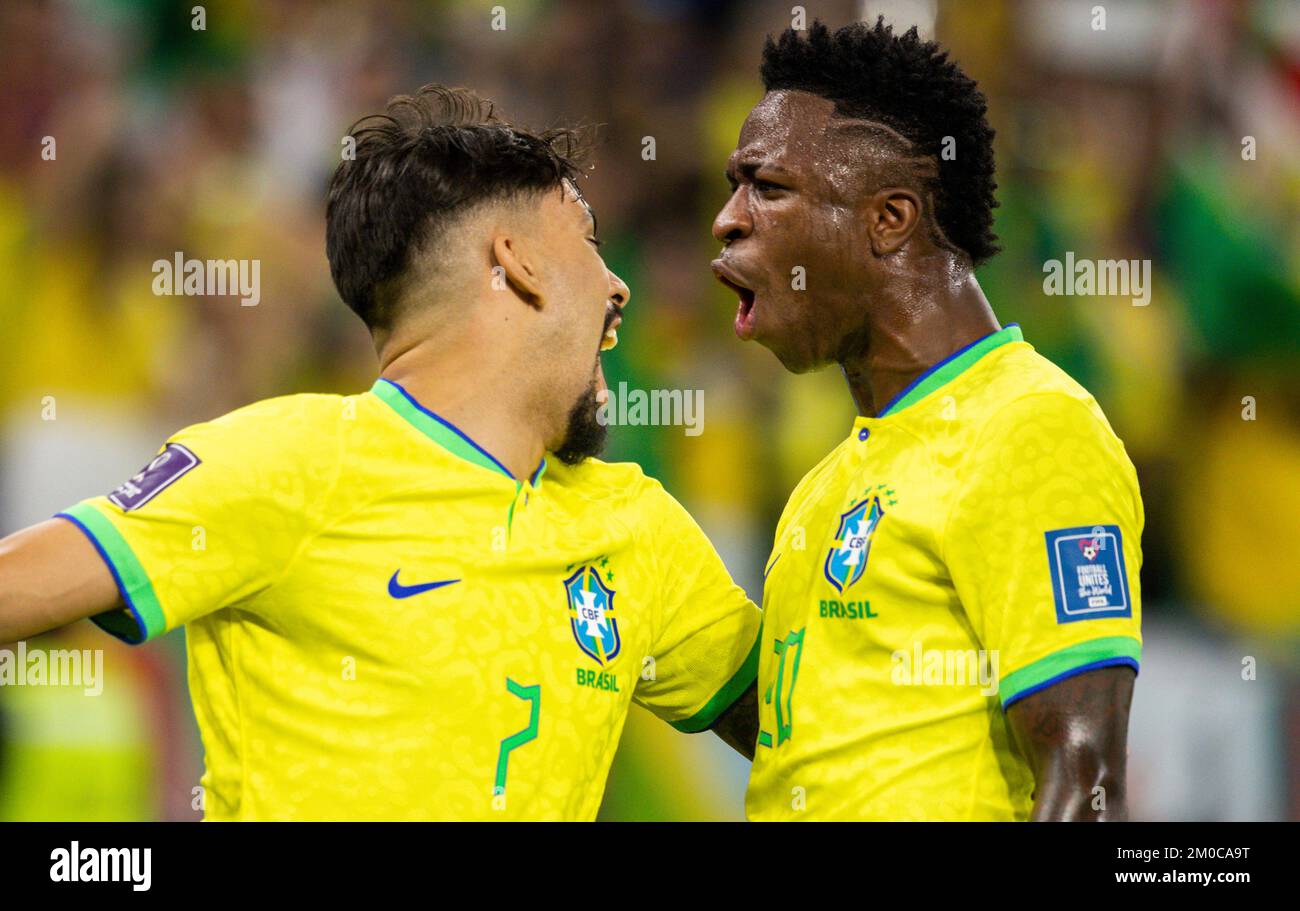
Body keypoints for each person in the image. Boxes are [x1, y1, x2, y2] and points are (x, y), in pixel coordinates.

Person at [0, 85, 760, 820]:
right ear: (518, 261)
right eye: (590, 242)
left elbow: (827, 733)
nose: (619, 286)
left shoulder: (639, 532)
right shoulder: (286, 463)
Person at [710, 20, 1142, 820]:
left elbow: (1088, 788)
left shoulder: (1028, 428)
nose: (727, 219)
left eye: (766, 187)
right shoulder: (827, 484)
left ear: (890, 218)